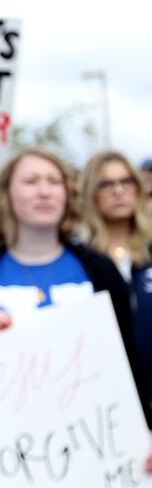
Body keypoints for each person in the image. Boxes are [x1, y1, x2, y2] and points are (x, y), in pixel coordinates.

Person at [0, 148, 152, 470]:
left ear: (67, 193)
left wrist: (144, 430)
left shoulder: (100, 269)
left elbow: (128, 363)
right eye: (31, 181)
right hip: (10, 457)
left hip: (99, 449)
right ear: (7, 193)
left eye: (54, 181)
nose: (44, 190)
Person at [79, 151, 152, 405]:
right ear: (90, 194)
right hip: (104, 402)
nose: (118, 191)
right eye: (106, 184)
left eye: (126, 182)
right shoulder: (78, 261)